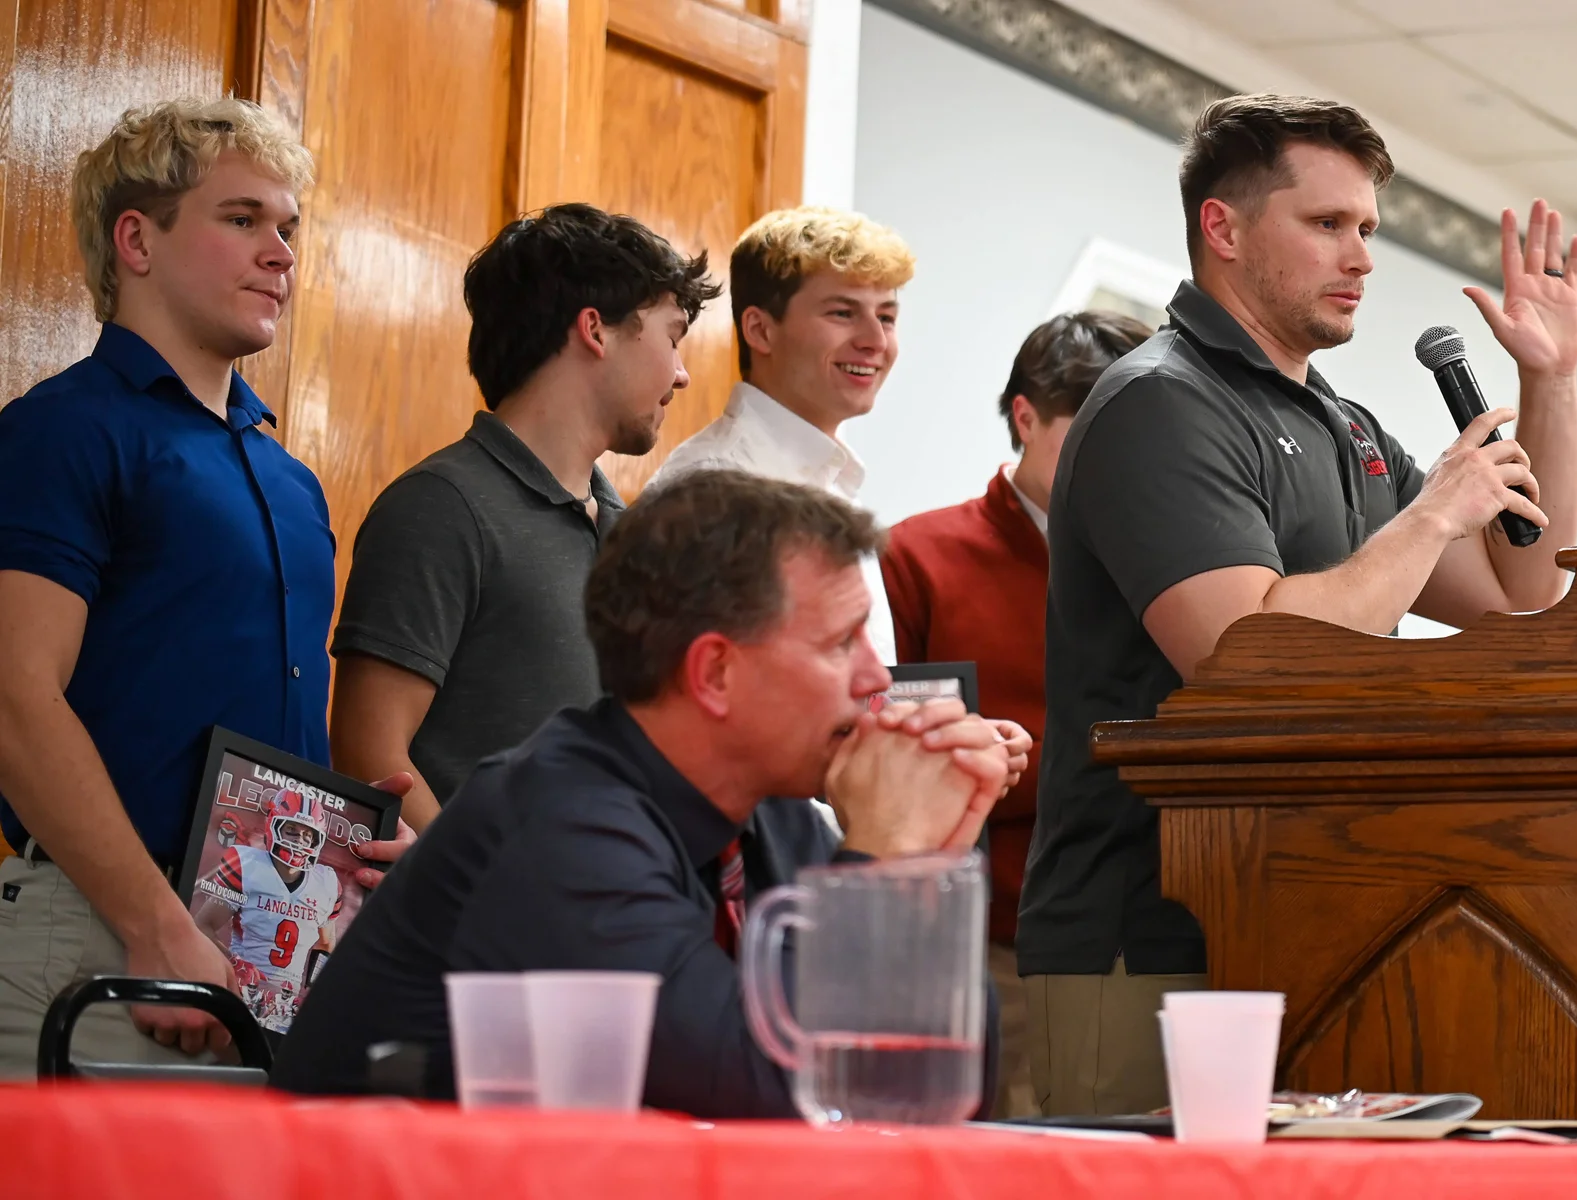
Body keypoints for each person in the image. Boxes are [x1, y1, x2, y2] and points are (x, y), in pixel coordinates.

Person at [1020, 93, 1577, 1116]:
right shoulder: (1161, 400)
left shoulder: (1342, 420)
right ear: (1223, 229)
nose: (1362, 256)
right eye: (1327, 225)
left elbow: (1524, 597)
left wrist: (1548, 382)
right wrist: (1428, 518)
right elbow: (1249, 664)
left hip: (1305, 920)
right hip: (1141, 937)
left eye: (1366, 228)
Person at [272, 471, 1021, 1115]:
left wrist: (929, 856)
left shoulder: (777, 816)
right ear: (715, 674)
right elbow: (774, 1099)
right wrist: (886, 867)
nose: (876, 680)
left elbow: (946, 1082)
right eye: (839, 644)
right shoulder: (563, 829)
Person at [0, 97, 411, 1079]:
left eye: (288, 228)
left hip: (273, 950)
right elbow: (14, 699)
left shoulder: (291, 479)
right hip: (112, 941)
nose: (280, 252)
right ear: (136, 239)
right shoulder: (62, 433)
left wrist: (347, 862)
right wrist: (152, 923)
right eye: (241, 220)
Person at [328, 206, 719, 830]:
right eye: (672, 338)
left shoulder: (630, 532)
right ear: (595, 329)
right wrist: (477, 898)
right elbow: (367, 753)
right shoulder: (440, 506)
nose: (682, 372)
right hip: (476, 923)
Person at [880, 310, 1152, 1117]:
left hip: (1163, 924)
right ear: (1025, 418)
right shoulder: (918, 557)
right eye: (1091, 434)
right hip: (994, 941)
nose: (1121, 464)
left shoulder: (1173, 559)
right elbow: (904, 769)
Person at [648, 207, 914, 665]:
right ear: (760, 330)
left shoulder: (837, 484)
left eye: (886, 317)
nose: (875, 340)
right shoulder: (710, 490)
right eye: (843, 312)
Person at [192, 788, 341, 1035]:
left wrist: (312, 989)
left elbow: (326, 944)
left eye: (307, 835)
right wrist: (232, 962)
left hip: (287, 1004)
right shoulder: (248, 865)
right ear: (273, 827)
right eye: (291, 831)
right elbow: (201, 926)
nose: (299, 841)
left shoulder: (327, 883)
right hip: (239, 989)